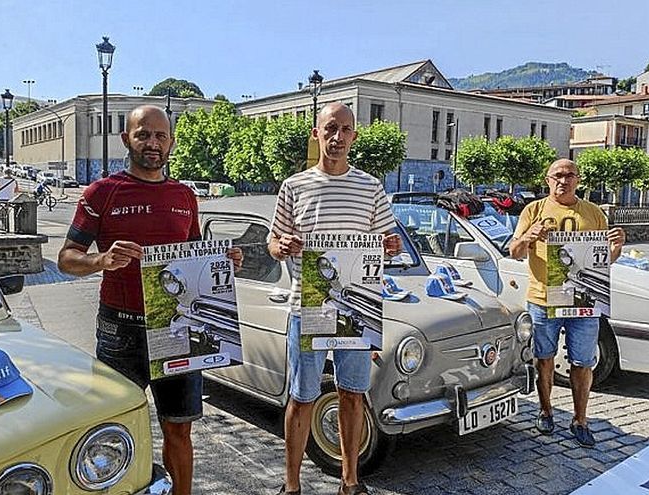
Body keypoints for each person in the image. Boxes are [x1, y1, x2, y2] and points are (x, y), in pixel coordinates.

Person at [57, 105, 241, 495]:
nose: (152, 143)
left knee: (179, 427)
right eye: (143, 135)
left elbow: (194, 258)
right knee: (116, 428)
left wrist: (221, 262)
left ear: (171, 143)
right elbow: (66, 257)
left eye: (160, 136)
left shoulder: (185, 197)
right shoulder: (101, 193)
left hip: (176, 327)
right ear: (126, 139)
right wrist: (100, 260)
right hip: (120, 330)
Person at [269, 103, 401, 495]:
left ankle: (350, 481)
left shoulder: (371, 187)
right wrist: (282, 246)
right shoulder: (294, 186)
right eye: (330, 128)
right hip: (307, 305)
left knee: (352, 394)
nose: (337, 136)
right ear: (317, 133)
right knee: (302, 395)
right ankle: (291, 485)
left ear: (354, 137)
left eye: (345, 129)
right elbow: (273, 242)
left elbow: (386, 242)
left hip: (359, 306)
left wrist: (390, 246)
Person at [508, 159, 625, 448]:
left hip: (584, 299)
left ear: (578, 179)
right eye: (557, 175)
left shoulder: (594, 213)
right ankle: (546, 410)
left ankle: (580, 420)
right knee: (544, 358)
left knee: (583, 362)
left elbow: (603, 261)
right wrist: (527, 236)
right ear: (547, 180)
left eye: (570, 175)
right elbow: (515, 252)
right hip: (543, 298)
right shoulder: (533, 210)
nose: (564, 180)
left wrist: (617, 248)